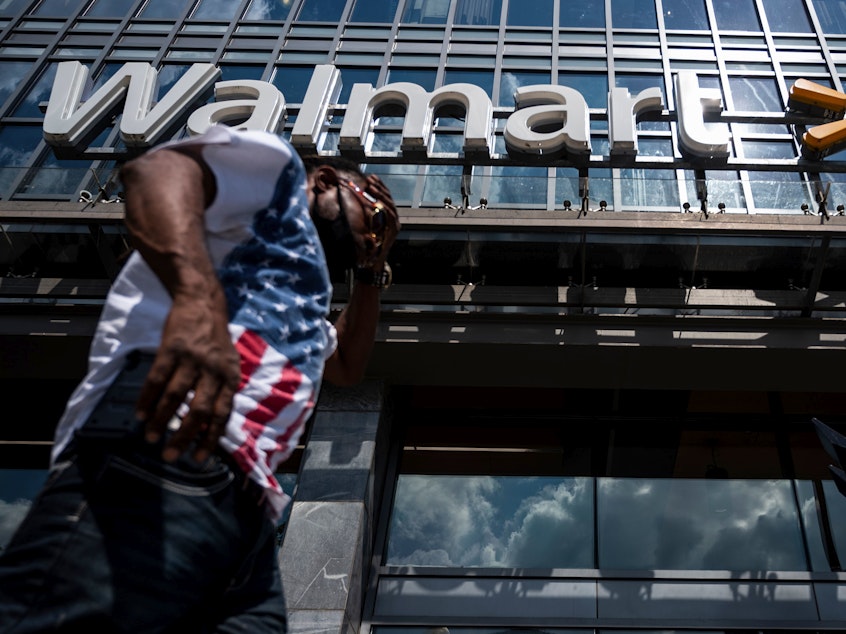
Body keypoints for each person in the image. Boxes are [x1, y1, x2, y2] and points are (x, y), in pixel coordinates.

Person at [0, 124, 400, 632]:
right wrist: (196, 299)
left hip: (247, 515)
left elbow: (346, 365)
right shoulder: (274, 179)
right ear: (324, 180)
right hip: (173, 441)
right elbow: (155, 171)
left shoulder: (302, 303)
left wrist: (371, 267)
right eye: (375, 210)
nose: (374, 229)